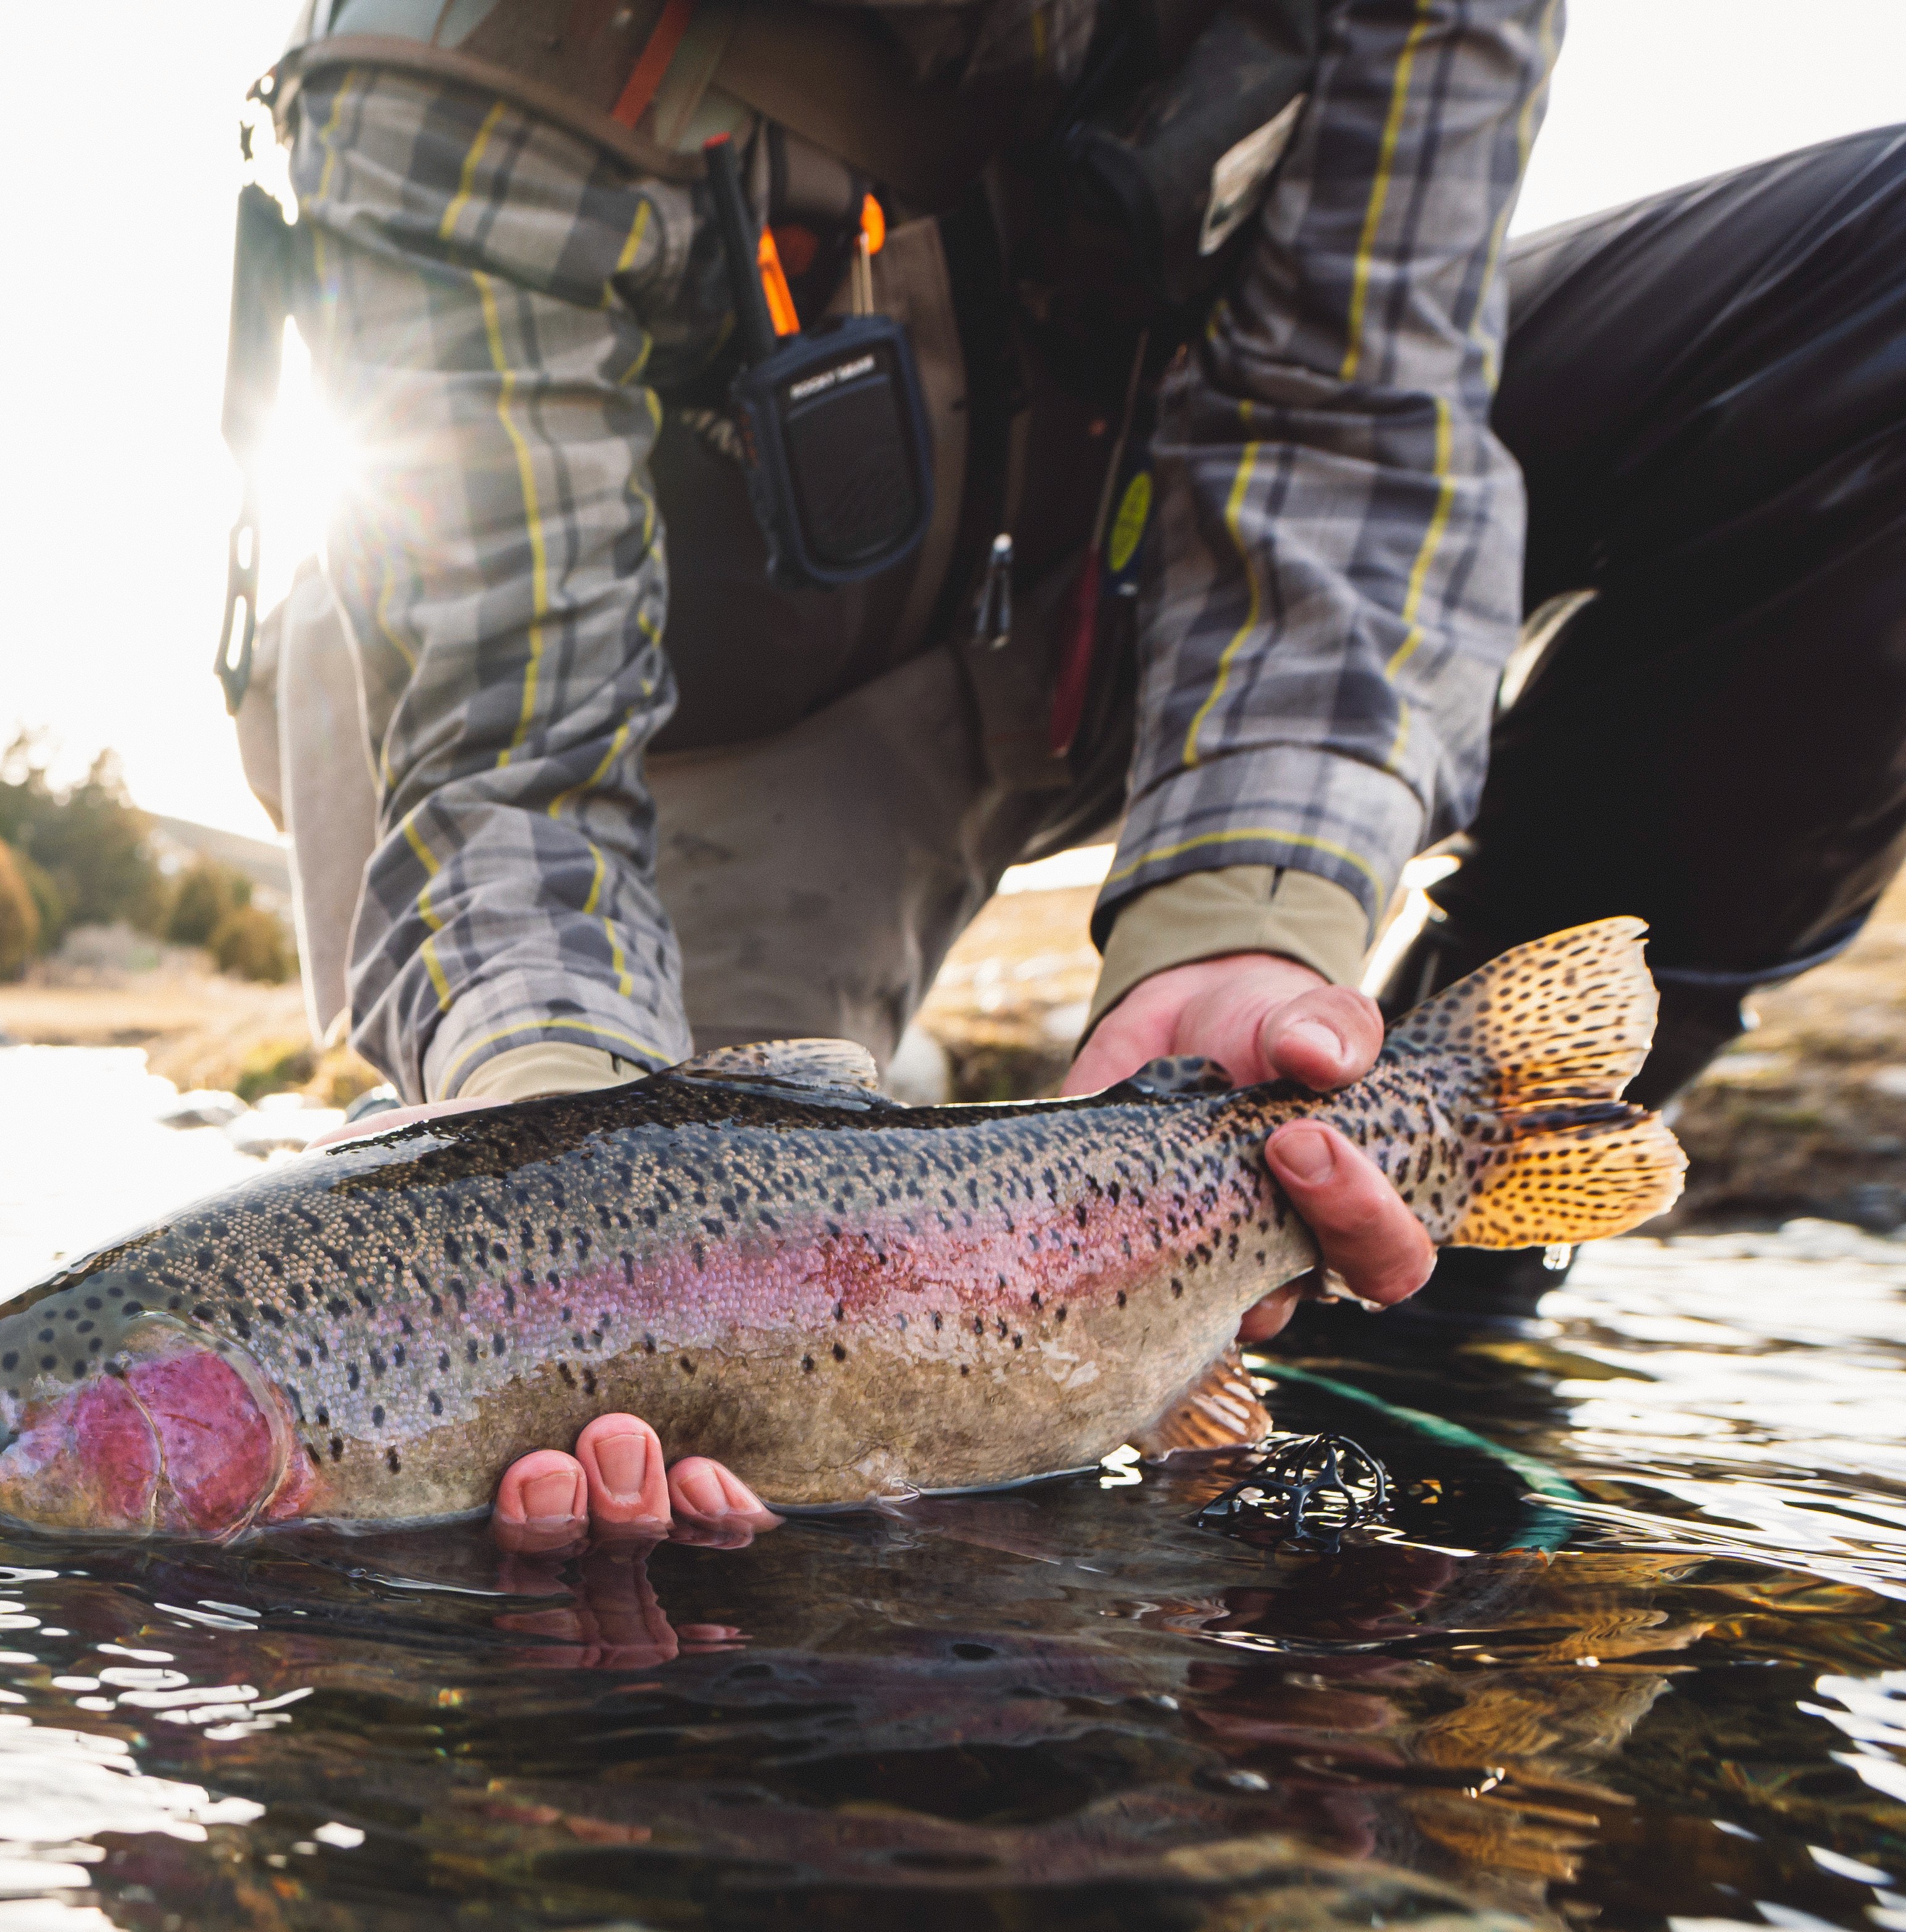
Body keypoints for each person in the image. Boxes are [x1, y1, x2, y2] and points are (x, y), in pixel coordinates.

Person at [228, 1, 1906, 1554]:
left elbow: (1351, 422)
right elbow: (511, 743)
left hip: (1132, 571)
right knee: (680, 1480)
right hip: (702, 694)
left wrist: (1252, 918)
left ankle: (1395, 1294)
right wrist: (555, 1103)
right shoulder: (443, 43)